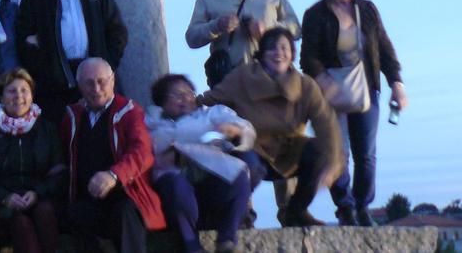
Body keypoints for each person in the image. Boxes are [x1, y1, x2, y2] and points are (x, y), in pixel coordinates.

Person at [299, 0, 407, 227]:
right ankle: (344, 206)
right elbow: (307, 57)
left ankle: (362, 205)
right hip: (330, 94)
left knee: (366, 153)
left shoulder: (367, 9)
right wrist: (322, 80)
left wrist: (396, 83)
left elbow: (384, 47)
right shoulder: (314, 14)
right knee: (337, 153)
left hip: (366, 88)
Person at [199, 28, 342, 227]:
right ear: (261, 52)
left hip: (288, 152)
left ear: (292, 53)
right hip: (252, 148)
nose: (279, 53)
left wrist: (331, 163)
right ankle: (234, 215)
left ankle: (296, 212)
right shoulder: (242, 77)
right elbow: (212, 99)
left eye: (284, 48)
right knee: (246, 165)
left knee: (320, 152)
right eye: (272, 48)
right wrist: (183, 103)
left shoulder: (305, 85)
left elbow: (326, 124)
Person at [14, 0, 128, 116]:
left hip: (97, 81)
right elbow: (23, 40)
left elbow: (118, 32)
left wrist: (107, 66)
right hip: (55, 88)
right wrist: (46, 74)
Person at [59, 58, 165, 253]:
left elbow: (142, 152)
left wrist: (113, 175)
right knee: (75, 214)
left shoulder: (129, 111)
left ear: (113, 81)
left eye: (102, 81)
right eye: (89, 83)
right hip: (88, 199)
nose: (96, 88)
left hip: (126, 194)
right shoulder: (72, 117)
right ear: (80, 86)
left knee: (125, 213)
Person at [145, 74, 256, 253]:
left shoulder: (212, 113)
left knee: (239, 173)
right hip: (175, 183)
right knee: (176, 185)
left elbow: (245, 130)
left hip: (212, 178)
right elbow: (155, 149)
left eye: (189, 93)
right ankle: (192, 246)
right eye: (177, 95)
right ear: (162, 101)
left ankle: (226, 239)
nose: (185, 98)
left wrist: (235, 132)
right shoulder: (151, 122)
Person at [0, 68, 63, 253]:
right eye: (12, 91)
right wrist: (5, 198)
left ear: (32, 96)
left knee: (45, 211)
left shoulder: (47, 129)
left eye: (24, 90)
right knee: (20, 223)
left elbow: (59, 172)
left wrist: (37, 192)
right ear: (2, 97)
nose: (18, 96)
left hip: (37, 197)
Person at [186, 0, 301, 87]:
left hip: (271, 78)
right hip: (230, 81)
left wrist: (268, 29)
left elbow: (296, 29)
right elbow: (191, 38)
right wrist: (216, 26)